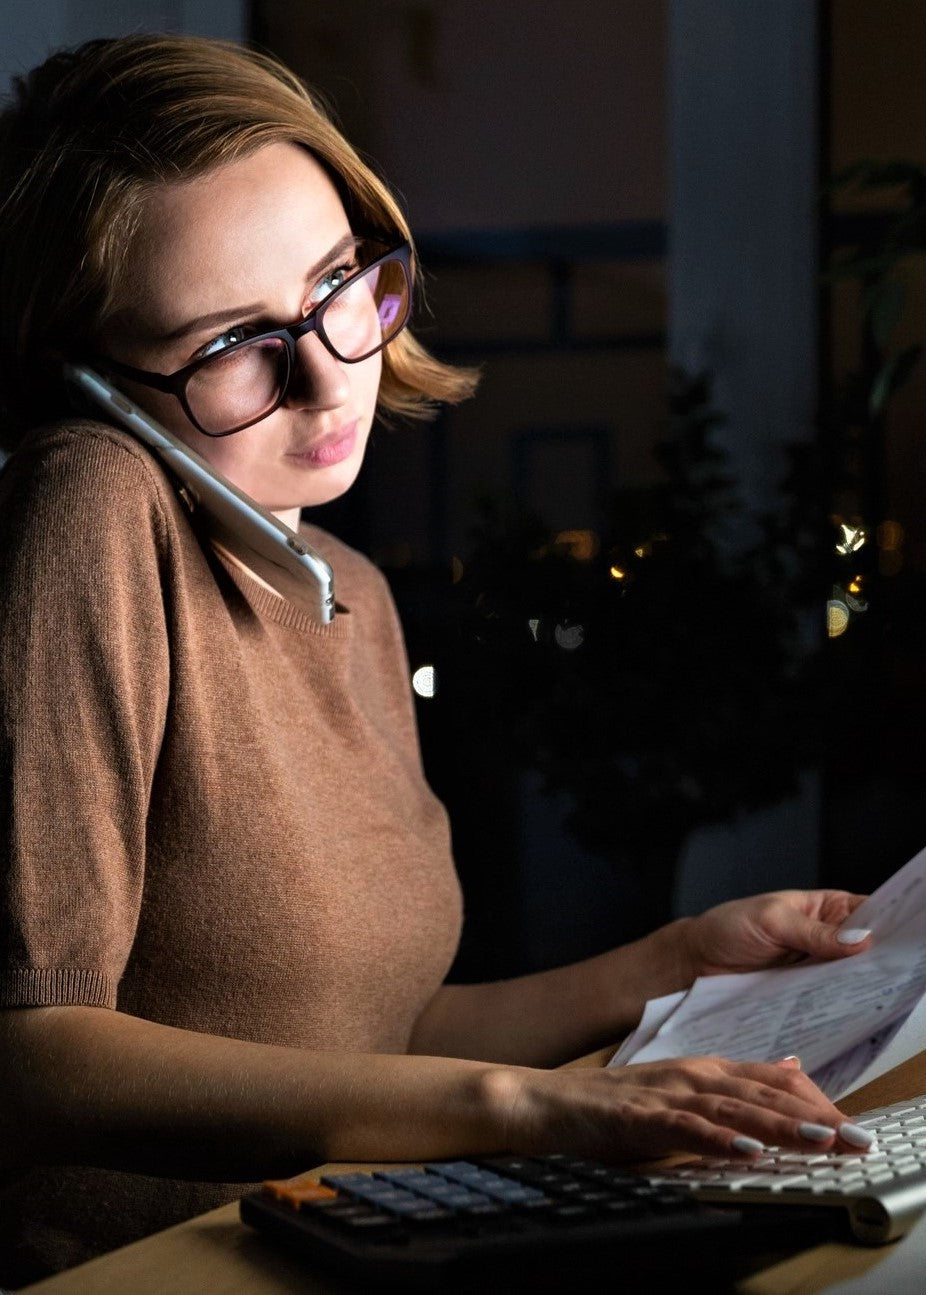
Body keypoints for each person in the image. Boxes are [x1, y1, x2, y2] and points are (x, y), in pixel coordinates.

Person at [0, 34, 875, 1285]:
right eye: (231, 343)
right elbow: (32, 1049)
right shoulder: (89, 502)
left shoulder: (347, 592)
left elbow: (387, 1028)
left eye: (334, 283)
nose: (326, 371)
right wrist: (521, 1107)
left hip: (346, 1239)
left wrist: (675, 959)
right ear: (92, 384)